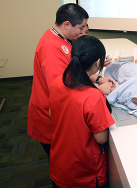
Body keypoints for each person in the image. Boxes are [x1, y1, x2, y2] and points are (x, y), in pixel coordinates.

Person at [28, 3, 114, 159]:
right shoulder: (51, 49)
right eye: (81, 28)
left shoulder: (62, 38)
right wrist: (99, 91)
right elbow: (63, 93)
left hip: (56, 113)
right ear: (66, 24)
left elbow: (74, 70)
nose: (83, 32)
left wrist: (98, 78)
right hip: (50, 118)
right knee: (65, 161)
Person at [49, 35, 114, 187]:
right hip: (84, 173)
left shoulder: (58, 82)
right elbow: (101, 138)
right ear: (98, 62)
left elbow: (52, 114)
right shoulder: (94, 96)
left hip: (60, 166)